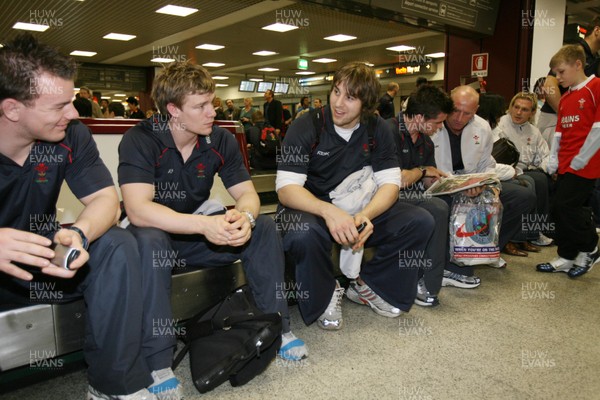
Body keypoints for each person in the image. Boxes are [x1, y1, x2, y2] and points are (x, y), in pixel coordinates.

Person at [0, 34, 173, 400]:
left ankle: (114, 385)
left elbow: (107, 201)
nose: (74, 112)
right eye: (60, 105)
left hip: (41, 260)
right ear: (13, 109)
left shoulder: (70, 135)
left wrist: (79, 232)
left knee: (115, 243)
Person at [118, 60, 308, 362]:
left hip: (197, 238)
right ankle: (157, 360)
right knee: (151, 239)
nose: (213, 111)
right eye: (201, 106)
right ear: (173, 109)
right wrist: (204, 226)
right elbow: (138, 209)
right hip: (156, 239)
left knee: (264, 227)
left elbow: (246, 193)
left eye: (212, 102)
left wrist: (244, 217)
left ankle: (278, 327)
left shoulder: (219, 139)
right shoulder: (141, 139)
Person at [276, 61, 434, 329]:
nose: (338, 103)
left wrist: (365, 215)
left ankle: (367, 284)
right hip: (311, 206)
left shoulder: (378, 129)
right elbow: (286, 189)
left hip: (358, 203)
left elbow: (390, 184)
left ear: (368, 104)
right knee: (302, 231)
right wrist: (329, 212)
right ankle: (326, 293)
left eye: (350, 98)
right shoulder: (307, 126)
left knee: (420, 220)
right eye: (336, 92)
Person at [431, 86, 536, 278]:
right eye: (455, 110)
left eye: (467, 113)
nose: (459, 118)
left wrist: (485, 184)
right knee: (451, 205)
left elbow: (487, 164)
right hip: (441, 184)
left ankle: (488, 248)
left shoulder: (482, 127)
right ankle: (454, 256)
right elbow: (429, 169)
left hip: (472, 181)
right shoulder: (433, 124)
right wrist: (460, 187)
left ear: (476, 110)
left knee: (524, 195)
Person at [388, 85, 455, 306]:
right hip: (384, 198)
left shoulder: (425, 141)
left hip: (413, 196)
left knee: (449, 199)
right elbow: (396, 180)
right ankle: (427, 282)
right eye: (437, 122)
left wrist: (440, 181)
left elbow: (425, 179)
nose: (439, 127)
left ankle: (449, 268)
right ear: (418, 116)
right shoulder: (388, 132)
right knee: (436, 208)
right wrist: (424, 171)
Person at [537, 45, 600, 277]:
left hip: (585, 164)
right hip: (565, 163)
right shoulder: (566, 98)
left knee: (566, 206)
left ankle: (590, 246)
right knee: (558, 209)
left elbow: (598, 129)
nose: (558, 78)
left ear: (578, 65)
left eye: (561, 72)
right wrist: (553, 159)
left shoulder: (596, 87)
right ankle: (567, 255)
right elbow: (559, 132)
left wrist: (580, 159)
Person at [495, 92, 553, 247]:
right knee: (534, 181)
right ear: (510, 107)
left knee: (543, 178)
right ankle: (521, 236)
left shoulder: (533, 131)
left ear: (532, 112)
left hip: (524, 169)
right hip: (503, 170)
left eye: (524, 109)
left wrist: (545, 168)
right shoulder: (500, 125)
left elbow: (546, 155)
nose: (518, 112)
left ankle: (534, 231)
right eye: (516, 107)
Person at [537, 16, 600, 144]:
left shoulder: (596, 58)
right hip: (554, 120)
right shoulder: (575, 51)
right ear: (597, 30)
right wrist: (567, 116)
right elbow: (549, 85)